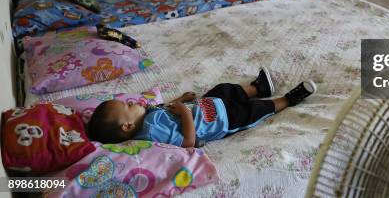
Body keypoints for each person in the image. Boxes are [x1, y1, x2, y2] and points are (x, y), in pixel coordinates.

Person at [87, 69, 316, 147]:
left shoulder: (145, 115)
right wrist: (186, 112)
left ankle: (258, 87)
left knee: (224, 89)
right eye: (129, 105)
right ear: (127, 126)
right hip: (220, 121)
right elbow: (187, 143)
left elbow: (164, 109)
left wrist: (181, 99)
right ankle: (288, 100)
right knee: (254, 111)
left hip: (206, 104)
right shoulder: (151, 135)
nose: (134, 102)